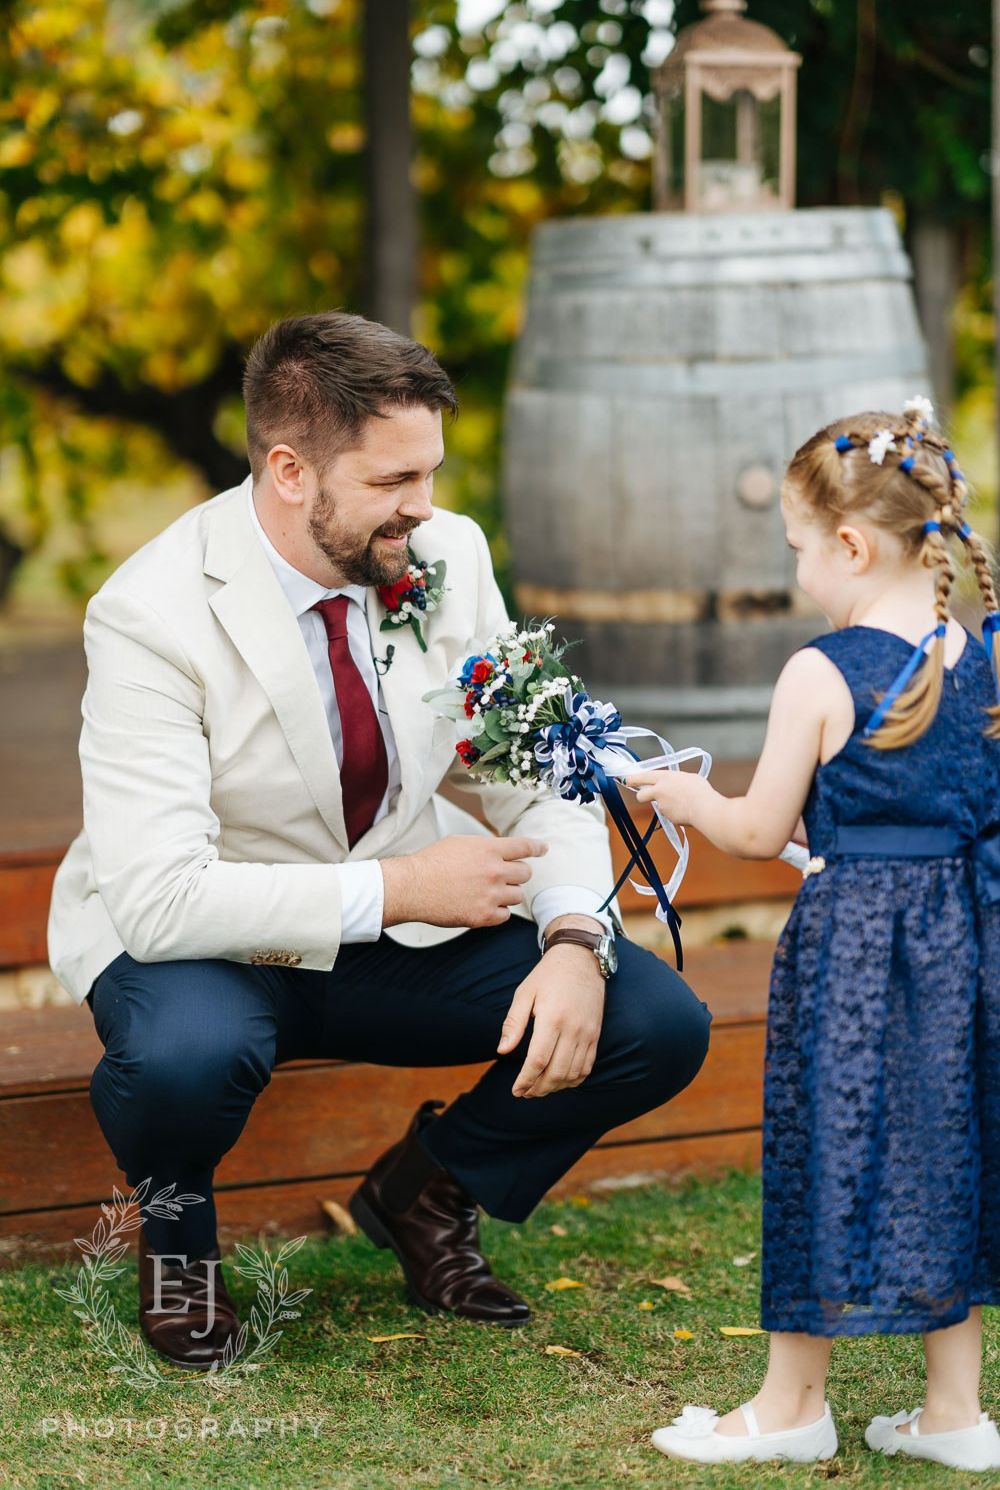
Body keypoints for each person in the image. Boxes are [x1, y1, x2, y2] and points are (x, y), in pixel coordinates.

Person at [47, 310, 711, 1369]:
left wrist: (575, 940)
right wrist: (400, 886)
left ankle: (428, 1188)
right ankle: (178, 1244)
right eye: (393, 482)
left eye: (430, 472)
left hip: (405, 926)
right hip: (211, 942)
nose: (425, 507)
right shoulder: (150, 613)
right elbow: (163, 899)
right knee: (183, 1059)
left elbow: (532, 769)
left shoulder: (445, 553)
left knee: (653, 1019)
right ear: (288, 469)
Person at [627, 403, 1000, 1471]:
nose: (795, 572)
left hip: (853, 958)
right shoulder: (970, 652)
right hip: (957, 949)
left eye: (796, 548)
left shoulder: (819, 671)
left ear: (847, 545)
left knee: (819, 1149)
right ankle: (954, 1411)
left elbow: (753, 827)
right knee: (945, 1150)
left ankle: (793, 1403)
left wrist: (685, 800)